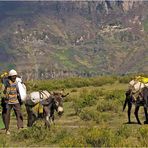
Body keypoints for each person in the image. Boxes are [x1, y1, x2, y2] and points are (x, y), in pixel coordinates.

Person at [3, 69, 23, 135]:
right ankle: (7, 129)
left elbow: (21, 89)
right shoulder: (7, 82)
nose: (14, 77)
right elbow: (4, 92)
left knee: (19, 114)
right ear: (10, 76)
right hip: (8, 102)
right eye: (13, 76)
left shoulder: (18, 82)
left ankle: (20, 128)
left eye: (15, 76)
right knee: (7, 116)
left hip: (16, 101)